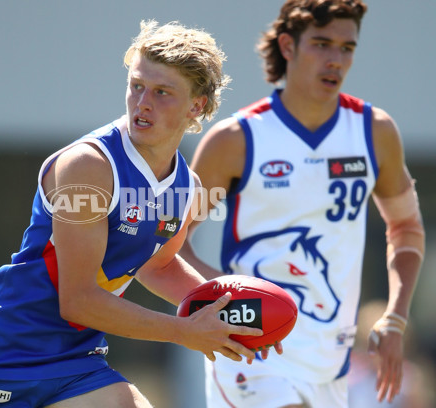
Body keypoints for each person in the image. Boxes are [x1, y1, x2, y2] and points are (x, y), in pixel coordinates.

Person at [0, 19, 265, 408]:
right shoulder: (89, 167)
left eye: (162, 92)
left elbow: (160, 266)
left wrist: (234, 314)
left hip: (74, 363)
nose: (143, 102)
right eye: (136, 86)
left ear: (196, 106)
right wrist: (182, 331)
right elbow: (79, 300)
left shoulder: (186, 189)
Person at [179, 1, 425, 407]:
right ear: (288, 46)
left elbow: (407, 228)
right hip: (251, 353)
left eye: (347, 48)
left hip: (330, 362)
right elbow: (171, 239)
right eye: (322, 44)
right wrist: (225, 300)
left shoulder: (374, 132)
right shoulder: (235, 140)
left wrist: (395, 316)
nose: (335, 60)